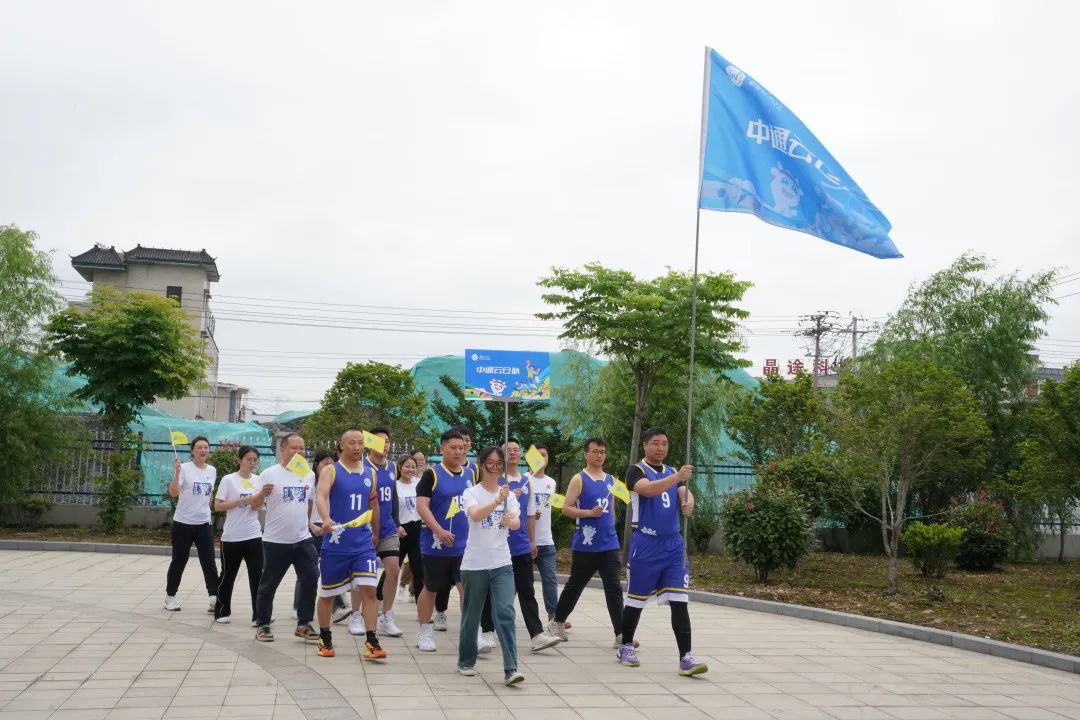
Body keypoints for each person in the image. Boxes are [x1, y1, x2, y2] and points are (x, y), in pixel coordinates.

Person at [618, 427, 707, 676]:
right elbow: (648, 489)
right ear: (645, 445)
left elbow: (683, 491)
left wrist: (689, 501)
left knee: (680, 601)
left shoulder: (671, 472)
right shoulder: (636, 471)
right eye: (655, 443)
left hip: (674, 547)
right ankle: (625, 645)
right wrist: (677, 477)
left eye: (664, 443)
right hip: (646, 545)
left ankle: (686, 657)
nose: (660, 448)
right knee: (636, 600)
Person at [313, 428, 386, 660]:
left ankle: (372, 640)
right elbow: (321, 495)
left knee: (369, 590)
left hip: (362, 543)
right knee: (328, 594)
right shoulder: (331, 470)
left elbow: (373, 504)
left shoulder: (370, 473)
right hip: (336, 543)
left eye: (360, 443)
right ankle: (325, 637)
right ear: (341, 445)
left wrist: (376, 532)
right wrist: (326, 518)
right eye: (352, 443)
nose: (357, 447)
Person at [547, 437, 626, 647]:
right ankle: (557, 621)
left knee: (614, 588)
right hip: (586, 544)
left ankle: (621, 634)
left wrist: (610, 526)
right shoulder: (579, 479)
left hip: (609, 544)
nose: (599, 455)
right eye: (595, 452)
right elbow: (566, 508)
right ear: (586, 454)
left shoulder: (611, 480)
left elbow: (612, 509)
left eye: (602, 452)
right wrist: (589, 513)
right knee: (576, 585)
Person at [458, 446, 525, 685]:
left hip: (501, 562)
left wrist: (510, 520)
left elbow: (516, 523)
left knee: (505, 611)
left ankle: (511, 668)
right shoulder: (471, 493)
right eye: (490, 463)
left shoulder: (510, 496)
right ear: (482, 464)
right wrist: (497, 501)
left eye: (499, 464)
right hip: (475, 564)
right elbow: (476, 515)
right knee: (472, 615)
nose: (495, 468)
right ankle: (466, 661)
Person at [253, 433, 321, 644]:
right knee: (269, 584)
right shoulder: (269, 474)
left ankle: (304, 623)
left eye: (302, 448)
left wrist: (309, 524)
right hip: (276, 541)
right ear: (282, 449)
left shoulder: (308, 474)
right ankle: (263, 624)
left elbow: (309, 502)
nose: (299, 451)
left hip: (302, 538)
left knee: (311, 576)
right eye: (294, 447)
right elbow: (255, 505)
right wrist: (262, 494)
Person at [414, 428, 473, 652]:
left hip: (464, 545)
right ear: (442, 449)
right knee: (431, 588)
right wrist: (438, 530)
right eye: (453, 447)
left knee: (466, 589)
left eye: (462, 448)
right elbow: (422, 506)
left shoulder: (471, 475)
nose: (458, 452)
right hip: (436, 545)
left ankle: (471, 633)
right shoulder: (432, 475)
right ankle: (424, 631)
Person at [502, 438, 560, 652]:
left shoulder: (529, 483)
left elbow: (529, 515)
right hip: (499, 546)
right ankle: (487, 630)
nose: (513, 453)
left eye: (516, 449)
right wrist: (508, 497)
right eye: (508, 450)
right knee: (498, 592)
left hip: (522, 545)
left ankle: (538, 633)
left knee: (528, 590)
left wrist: (532, 541)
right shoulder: (497, 480)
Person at [164, 436, 220, 613]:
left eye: (206, 447)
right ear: (192, 451)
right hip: (183, 523)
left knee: (209, 561)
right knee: (179, 560)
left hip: (204, 524)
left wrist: (206, 511)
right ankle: (170, 597)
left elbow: (209, 494)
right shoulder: (184, 469)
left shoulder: (212, 470)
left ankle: (214, 597)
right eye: (199, 447)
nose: (203, 450)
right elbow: (173, 493)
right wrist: (177, 473)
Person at [294, 451, 349, 623]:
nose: (328, 467)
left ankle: (337, 607)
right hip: (312, 529)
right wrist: (310, 525)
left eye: (331, 463)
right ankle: (300, 605)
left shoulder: (337, 482)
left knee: (328, 567)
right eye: (325, 463)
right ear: (316, 465)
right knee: (309, 569)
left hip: (330, 528)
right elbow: (303, 506)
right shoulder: (310, 481)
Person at [214, 445, 263, 624]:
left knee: (257, 575)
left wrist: (255, 502)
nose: (252, 463)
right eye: (248, 459)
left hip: (253, 534)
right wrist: (241, 500)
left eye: (255, 460)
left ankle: (259, 615)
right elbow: (218, 506)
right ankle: (222, 611)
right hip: (232, 536)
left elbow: (259, 506)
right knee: (228, 575)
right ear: (239, 460)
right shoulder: (229, 480)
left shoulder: (258, 480)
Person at [365, 426, 405, 638]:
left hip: (388, 527)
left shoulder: (392, 466)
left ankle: (386, 615)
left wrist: (397, 522)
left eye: (388, 441)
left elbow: (394, 496)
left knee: (393, 570)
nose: (385, 445)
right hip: (365, 528)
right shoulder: (362, 466)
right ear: (370, 443)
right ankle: (357, 614)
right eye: (380, 441)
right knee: (363, 574)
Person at [375, 454, 423, 605]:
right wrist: (397, 525)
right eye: (407, 466)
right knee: (392, 569)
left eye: (413, 467)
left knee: (420, 570)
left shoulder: (419, 484)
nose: (410, 470)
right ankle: (378, 598)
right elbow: (390, 508)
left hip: (417, 530)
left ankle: (421, 604)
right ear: (400, 467)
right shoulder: (394, 485)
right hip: (400, 531)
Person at [527, 444, 562, 624]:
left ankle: (554, 617)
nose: (542, 458)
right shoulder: (524, 480)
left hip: (546, 540)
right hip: (526, 540)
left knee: (550, 579)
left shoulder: (551, 482)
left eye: (545, 455)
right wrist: (530, 514)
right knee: (524, 583)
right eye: (538, 455)